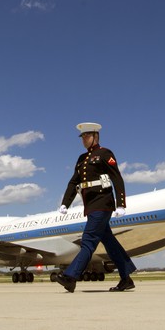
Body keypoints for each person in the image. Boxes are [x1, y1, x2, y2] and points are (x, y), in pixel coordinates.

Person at [55, 122, 137, 293]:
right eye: (82, 137)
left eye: (87, 136)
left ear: (96, 136)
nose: (84, 139)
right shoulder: (81, 159)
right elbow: (73, 182)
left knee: (88, 239)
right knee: (109, 243)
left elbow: (117, 178)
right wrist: (65, 203)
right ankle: (126, 278)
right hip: (90, 205)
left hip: (103, 202)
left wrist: (121, 204)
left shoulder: (104, 153)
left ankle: (71, 276)